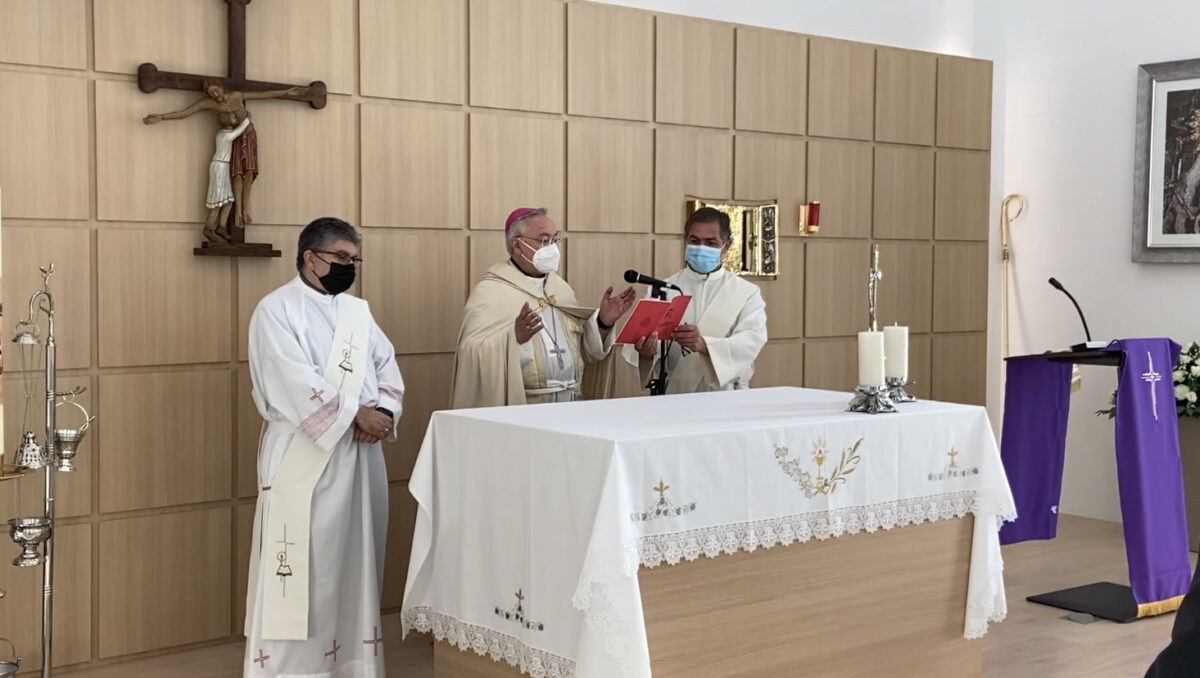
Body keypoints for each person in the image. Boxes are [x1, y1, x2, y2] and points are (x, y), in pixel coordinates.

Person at [243, 217, 404, 677]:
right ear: (310, 257)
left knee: (354, 562)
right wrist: (357, 414)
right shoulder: (276, 310)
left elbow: (387, 368)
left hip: (359, 457)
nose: (348, 267)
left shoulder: (358, 313)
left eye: (354, 260)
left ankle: (352, 666)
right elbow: (290, 381)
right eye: (340, 258)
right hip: (303, 454)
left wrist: (384, 416)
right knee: (306, 565)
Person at [450, 207, 636, 407]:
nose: (552, 248)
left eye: (554, 240)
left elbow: (585, 354)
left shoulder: (561, 289)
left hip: (571, 403)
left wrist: (603, 323)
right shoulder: (491, 291)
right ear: (518, 246)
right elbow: (470, 354)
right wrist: (513, 338)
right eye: (543, 240)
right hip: (525, 406)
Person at [621, 207, 768, 393]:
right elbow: (641, 343)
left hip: (726, 396)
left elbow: (751, 340)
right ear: (685, 239)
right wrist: (646, 354)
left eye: (710, 242)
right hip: (675, 395)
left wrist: (704, 345)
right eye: (695, 241)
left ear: (727, 245)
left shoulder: (745, 293)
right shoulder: (664, 289)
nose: (701, 248)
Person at [143, 80, 306, 228]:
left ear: (222, 88)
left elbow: (262, 95)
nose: (215, 95)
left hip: (247, 133)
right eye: (211, 93)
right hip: (230, 139)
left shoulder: (236, 96)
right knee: (236, 174)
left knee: (248, 172)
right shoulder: (210, 104)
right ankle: (237, 215)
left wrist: (285, 92)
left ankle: (244, 209)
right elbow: (186, 112)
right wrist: (162, 117)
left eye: (216, 91)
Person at [204, 112, 250, 242]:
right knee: (218, 201)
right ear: (227, 121)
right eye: (234, 117)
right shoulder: (226, 135)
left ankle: (221, 227)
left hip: (223, 167)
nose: (236, 118)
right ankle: (208, 228)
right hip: (219, 167)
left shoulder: (221, 133)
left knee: (229, 201)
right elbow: (240, 130)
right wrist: (247, 118)